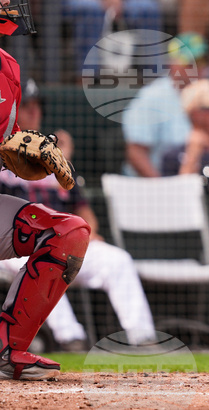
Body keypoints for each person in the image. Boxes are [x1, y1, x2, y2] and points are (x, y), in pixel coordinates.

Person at [0, 79, 155, 351]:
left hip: (62, 240)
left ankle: (143, 338)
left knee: (117, 260)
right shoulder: (2, 155)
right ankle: (71, 339)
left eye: (38, 106)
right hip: (15, 246)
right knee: (44, 260)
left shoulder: (51, 154)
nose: (34, 112)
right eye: (27, 106)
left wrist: (87, 233)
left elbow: (84, 211)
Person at [0, 0, 91, 379]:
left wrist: (19, 150)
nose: (8, 2)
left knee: (68, 232)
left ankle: (8, 349)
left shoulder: (9, 70)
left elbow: (8, 143)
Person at [120, 33, 202, 177]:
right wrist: (163, 190)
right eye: (188, 63)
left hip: (194, 184)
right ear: (172, 63)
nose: (196, 68)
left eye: (201, 61)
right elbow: (136, 153)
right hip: (150, 188)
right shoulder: (152, 97)